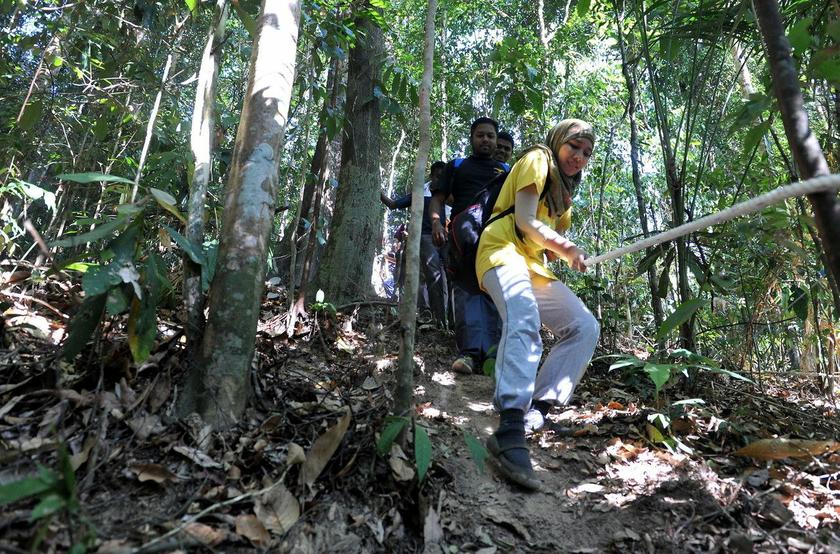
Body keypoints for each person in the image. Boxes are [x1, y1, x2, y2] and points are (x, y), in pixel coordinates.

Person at [475, 119, 600, 491]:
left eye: (586, 153)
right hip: (500, 251)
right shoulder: (537, 159)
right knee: (524, 315)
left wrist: (569, 255)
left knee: (584, 327)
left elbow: (549, 242)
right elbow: (526, 221)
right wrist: (568, 248)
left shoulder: (565, 195)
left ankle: (539, 409)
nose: (578, 157)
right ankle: (510, 425)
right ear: (559, 141)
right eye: (573, 147)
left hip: (533, 265)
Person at [429, 117, 508, 374]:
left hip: (497, 240)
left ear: (496, 140)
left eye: (490, 136)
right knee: (466, 292)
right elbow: (438, 198)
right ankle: (469, 353)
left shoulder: (506, 171)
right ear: (472, 138)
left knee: (494, 292)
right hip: (462, 240)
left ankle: (493, 355)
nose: (485, 140)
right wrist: (437, 224)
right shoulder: (457, 165)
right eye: (480, 135)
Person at [381, 162, 449, 327]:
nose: (440, 180)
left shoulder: (449, 192)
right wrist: (378, 192)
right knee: (432, 275)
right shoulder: (420, 193)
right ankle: (435, 317)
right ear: (431, 176)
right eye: (438, 176)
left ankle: (446, 319)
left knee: (446, 277)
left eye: (443, 177)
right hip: (426, 237)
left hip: (447, 238)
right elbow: (393, 204)